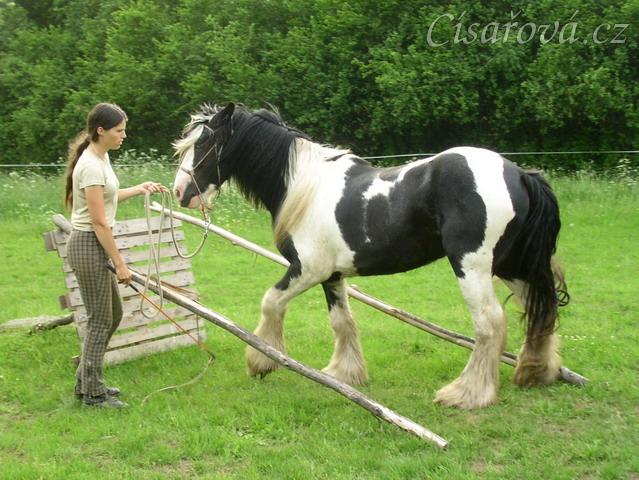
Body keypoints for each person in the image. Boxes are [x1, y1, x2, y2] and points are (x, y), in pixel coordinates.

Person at [63, 102, 166, 408]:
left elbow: (107, 197)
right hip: (87, 244)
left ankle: (85, 381)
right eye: (119, 130)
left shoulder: (101, 157)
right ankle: (93, 394)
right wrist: (120, 264)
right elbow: (98, 222)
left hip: (94, 243)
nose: (124, 135)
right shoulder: (91, 165)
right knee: (100, 320)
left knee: (113, 315)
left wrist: (139, 188)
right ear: (101, 130)